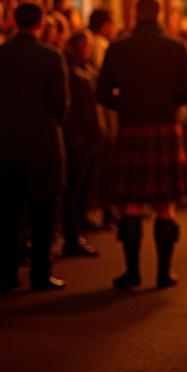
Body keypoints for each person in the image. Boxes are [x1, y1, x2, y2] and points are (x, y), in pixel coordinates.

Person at [96, 0, 187, 289]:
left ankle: (132, 273)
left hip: (132, 128)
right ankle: (164, 274)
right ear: (159, 16)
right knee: (165, 205)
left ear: (133, 14)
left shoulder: (118, 48)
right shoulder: (176, 47)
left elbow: (102, 93)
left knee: (131, 205)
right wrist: (168, 104)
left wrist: (126, 105)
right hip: (165, 128)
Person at [0, 2, 69, 291]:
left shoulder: (2, 55)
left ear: (14, 21)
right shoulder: (51, 57)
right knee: (43, 212)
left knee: (7, 213)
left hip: (5, 144)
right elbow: (61, 105)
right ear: (40, 23)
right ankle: (41, 273)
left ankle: (5, 273)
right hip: (42, 144)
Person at [62, 30, 103, 258]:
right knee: (74, 188)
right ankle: (72, 235)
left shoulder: (88, 70)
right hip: (78, 137)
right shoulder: (70, 71)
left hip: (91, 135)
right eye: (85, 45)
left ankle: (78, 230)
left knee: (83, 186)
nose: (88, 50)